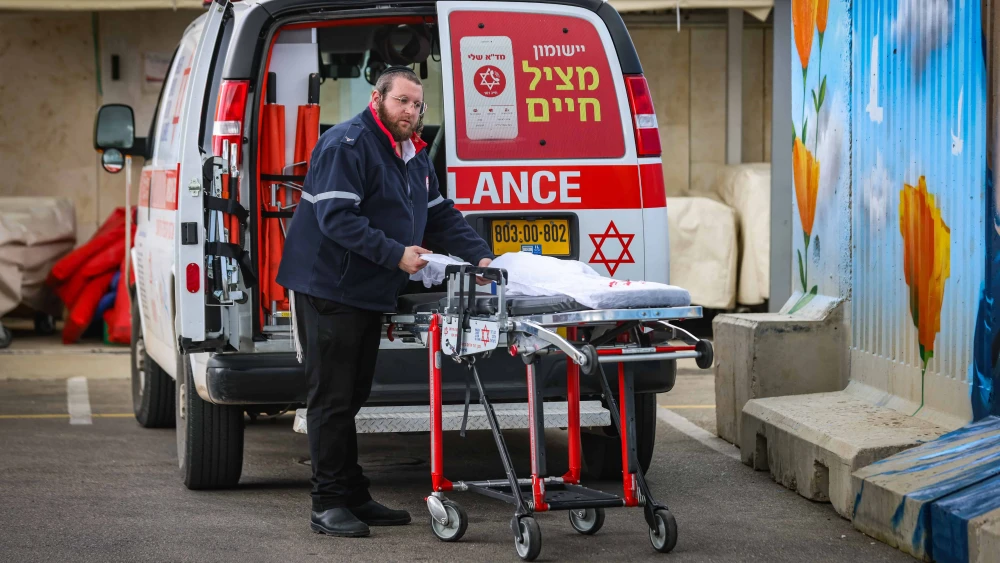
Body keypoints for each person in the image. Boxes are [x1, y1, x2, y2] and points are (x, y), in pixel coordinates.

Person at [276, 66, 494, 538]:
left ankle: (352, 494)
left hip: (367, 291)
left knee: (351, 395)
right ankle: (327, 503)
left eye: (418, 105)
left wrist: (482, 258)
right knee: (331, 399)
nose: (411, 112)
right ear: (378, 99)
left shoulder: (412, 151)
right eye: (402, 102)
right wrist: (396, 254)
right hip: (329, 287)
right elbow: (337, 218)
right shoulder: (347, 144)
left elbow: (439, 216)